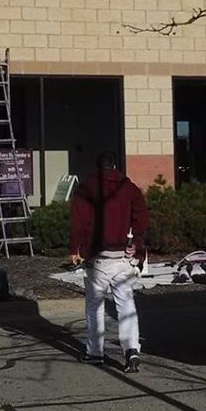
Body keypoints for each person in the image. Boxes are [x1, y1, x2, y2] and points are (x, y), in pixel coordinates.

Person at [69, 152, 150, 371]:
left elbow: (79, 222)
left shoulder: (87, 187)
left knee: (95, 306)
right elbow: (141, 217)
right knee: (126, 304)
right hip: (123, 256)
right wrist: (138, 242)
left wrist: (76, 248)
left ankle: (95, 352)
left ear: (96, 167)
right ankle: (132, 350)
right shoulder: (128, 187)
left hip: (98, 259)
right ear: (115, 166)